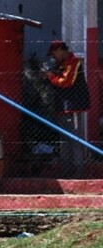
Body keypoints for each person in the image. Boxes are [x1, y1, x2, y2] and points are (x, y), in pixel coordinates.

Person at [43, 40, 91, 177]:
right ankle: (67, 169)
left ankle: (79, 170)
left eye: (54, 54)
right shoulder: (60, 65)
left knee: (75, 138)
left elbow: (66, 81)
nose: (54, 57)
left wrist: (51, 76)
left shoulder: (73, 62)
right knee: (64, 139)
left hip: (73, 106)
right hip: (62, 106)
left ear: (60, 50)